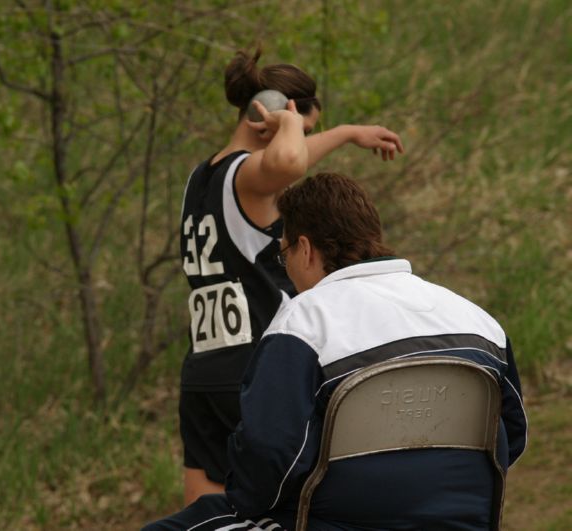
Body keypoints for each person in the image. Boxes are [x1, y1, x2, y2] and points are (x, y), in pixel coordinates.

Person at [148, 172, 528, 530]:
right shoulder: (477, 320)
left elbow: (270, 456)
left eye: (284, 256)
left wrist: (249, 499)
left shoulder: (304, 322)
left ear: (306, 249)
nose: (289, 271)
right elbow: (511, 436)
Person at [178, 48, 404, 504]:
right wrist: (289, 126)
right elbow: (288, 164)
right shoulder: (249, 176)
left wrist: (343, 134)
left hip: (204, 370)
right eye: (301, 130)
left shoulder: (202, 178)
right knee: (290, 503)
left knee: (206, 510)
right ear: (279, 115)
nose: (301, 142)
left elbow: (286, 160)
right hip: (258, 366)